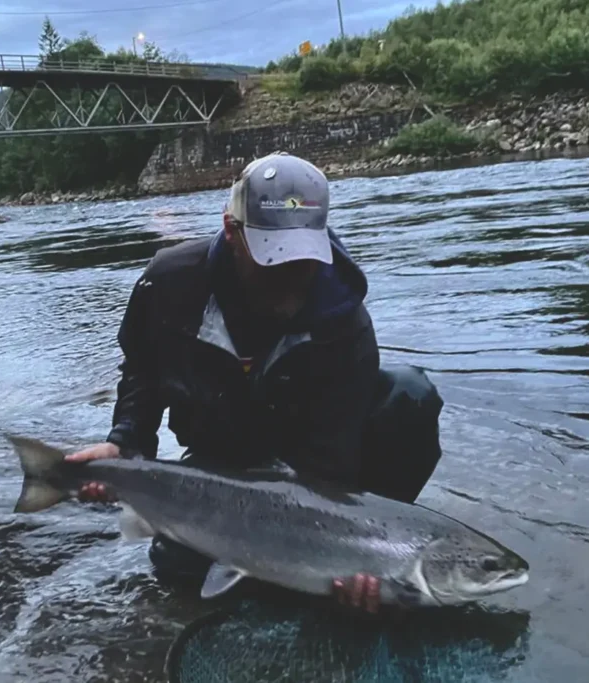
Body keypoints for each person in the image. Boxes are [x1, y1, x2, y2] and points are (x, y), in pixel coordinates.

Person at [66, 152, 444, 614]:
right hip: (224, 456)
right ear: (232, 230)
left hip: (309, 456)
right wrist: (125, 445)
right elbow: (143, 369)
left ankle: (382, 549)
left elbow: (333, 456)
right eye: (273, 256)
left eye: (301, 256)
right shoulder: (168, 283)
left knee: (411, 396)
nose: (290, 274)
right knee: (178, 566)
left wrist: (351, 553)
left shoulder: (345, 320)